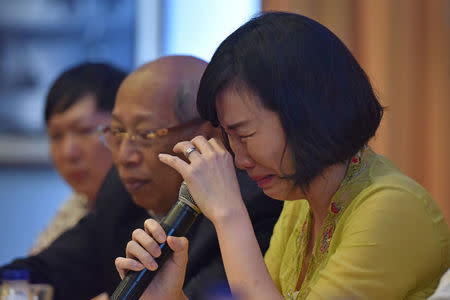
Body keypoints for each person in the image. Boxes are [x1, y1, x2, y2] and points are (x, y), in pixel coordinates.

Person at [116, 12, 450, 300]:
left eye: (244, 134)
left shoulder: (392, 208)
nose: (240, 159)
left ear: (306, 114)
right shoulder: (299, 203)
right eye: (230, 139)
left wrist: (229, 213)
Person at [0, 55, 283, 300]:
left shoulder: (251, 206)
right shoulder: (120, 193)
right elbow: (49, 270)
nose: (124, 156)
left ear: (208, 135)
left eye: (145, 135)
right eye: (117, 133)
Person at [31, 62, 127, 254]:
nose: (69, 152)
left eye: (84, 131)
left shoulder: (149, 213)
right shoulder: (75, 207)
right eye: (56, 136)